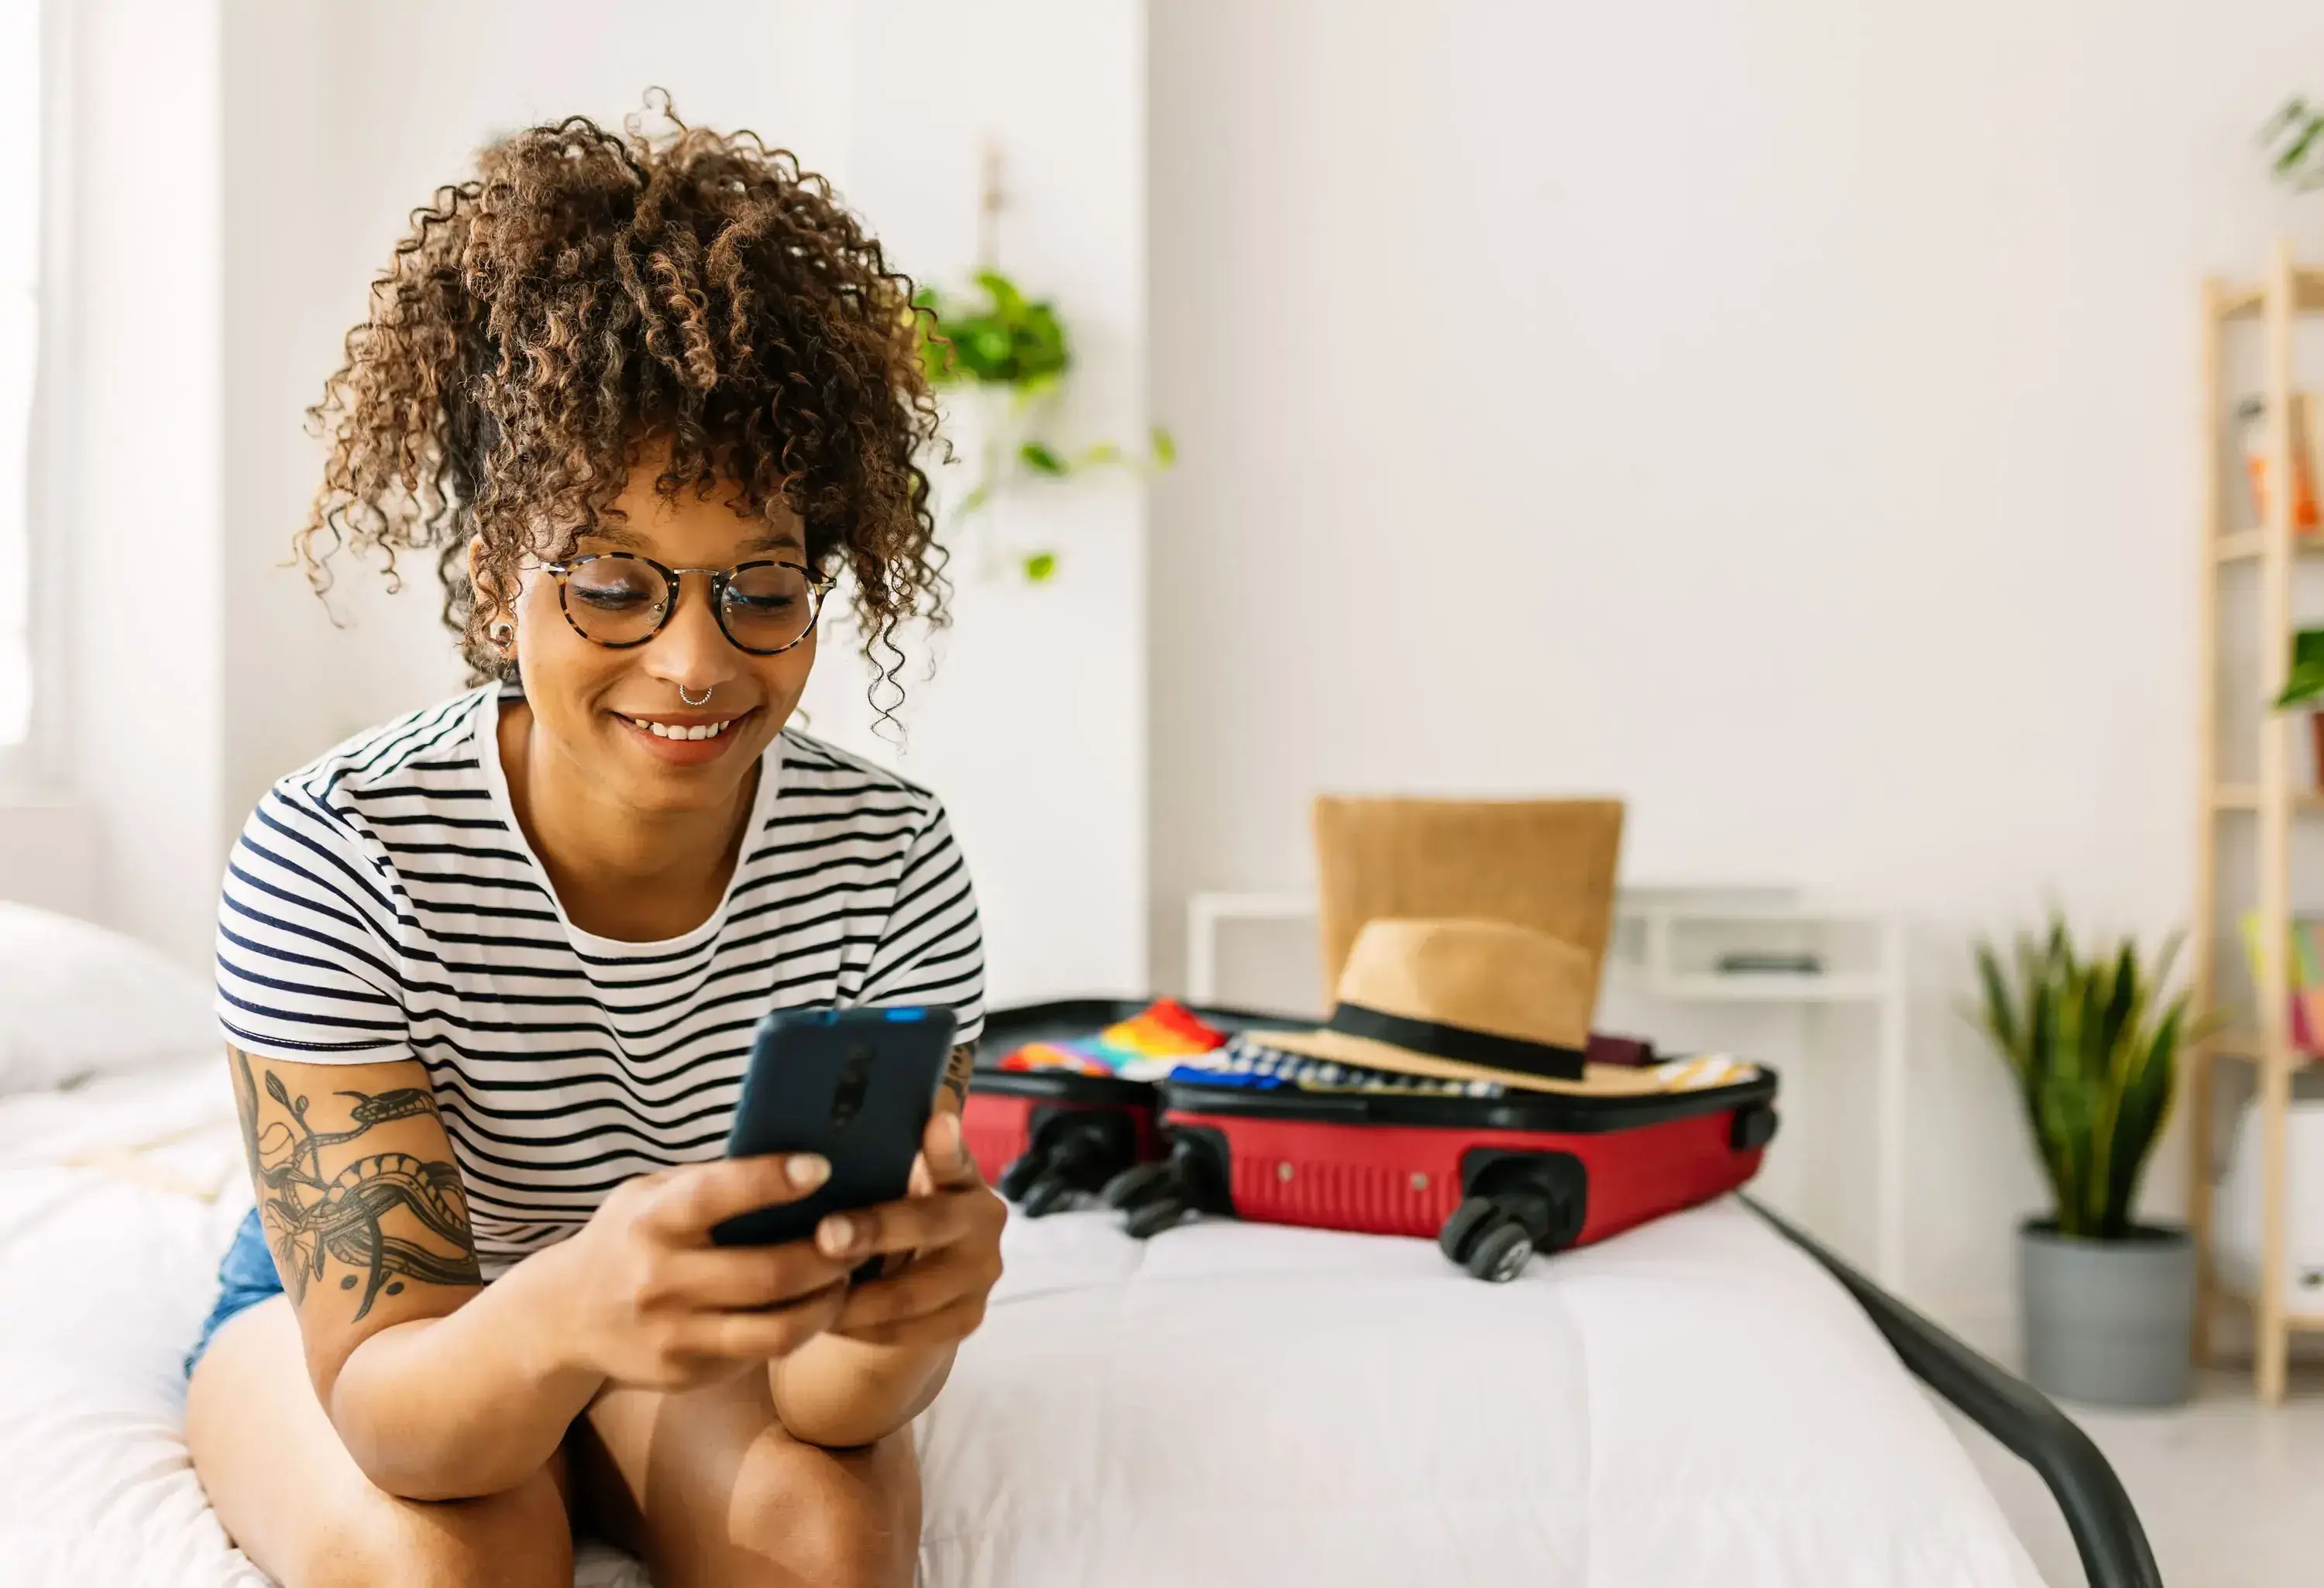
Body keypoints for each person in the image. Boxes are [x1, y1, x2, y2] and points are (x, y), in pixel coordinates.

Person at [183, 92, 1002, 1588]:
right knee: (456, 1562)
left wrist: (901, 1325)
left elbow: (827, 1401)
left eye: (762, 590)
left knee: (825, 1548)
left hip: (696, 1323)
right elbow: (398, 1419)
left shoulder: (885, 859)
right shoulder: (340, 850)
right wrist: (570, 1304)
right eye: (615, 586)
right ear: (498, 572)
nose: (695, 663)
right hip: (394, 1341)